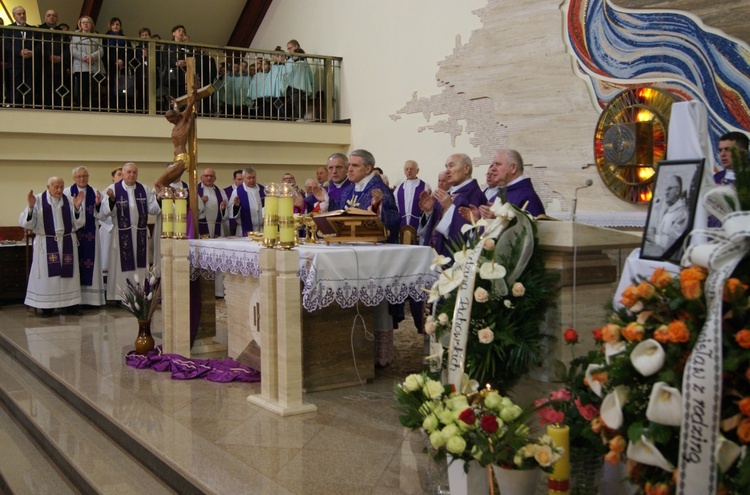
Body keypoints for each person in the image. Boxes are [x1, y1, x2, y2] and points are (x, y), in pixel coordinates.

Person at [20, 177, 85, 317]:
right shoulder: (37, 200)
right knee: (48, 277)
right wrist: (30, 207)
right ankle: (47, 307)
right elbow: (27, 224)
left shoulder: (68, 200)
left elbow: (79, 223)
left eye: (61, 186)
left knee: (69, 276)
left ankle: (70, 305)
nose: (59, 190)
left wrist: (78, 208)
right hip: (47, 243)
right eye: (56, 187)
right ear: (48, 187)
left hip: (67, 241)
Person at [101, 163, 161, 301]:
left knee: (139, 266)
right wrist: (111, 200)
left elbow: (152, 209)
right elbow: (104, 212)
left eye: (134, 172)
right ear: (122, 174)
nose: (131, 175)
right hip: (122, 233)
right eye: (128, 172)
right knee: (121, 267)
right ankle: (119, 296)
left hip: (140, 233)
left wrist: (158, 198)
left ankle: (139, 295)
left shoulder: (143, 189)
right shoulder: (113, 188)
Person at [418, 153, 486, 257]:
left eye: (451, 165)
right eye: (446, 167)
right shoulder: (449, 194)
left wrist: (450, 208)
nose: (447, 170)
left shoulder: (473, 195)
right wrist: (430, 211)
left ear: (466, 168)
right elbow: (434, 229)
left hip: (453, 259)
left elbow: (467, 235)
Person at [64, 166, 105, 307]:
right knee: (75, 265)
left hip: (91, 234)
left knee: (90, 264)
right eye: (79, 176)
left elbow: (102, 216)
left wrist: (98, 205)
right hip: (74, 235)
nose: (82, 179)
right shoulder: (67, 193)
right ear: (73, 178)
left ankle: (90, 301)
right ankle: (75, 300)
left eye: (84, 176)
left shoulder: (95, 192)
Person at [198, 168, 229, 297]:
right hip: (201, 228)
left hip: (216, 227)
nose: (209, 178)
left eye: (211, 176)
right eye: (206, 176)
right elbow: (191, 211)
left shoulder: (220, 192)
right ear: (201, 177)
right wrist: (201, 202)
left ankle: (218, 291)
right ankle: (203, 290)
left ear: (215, 178)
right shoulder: (195, 192)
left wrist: (223, 209)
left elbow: (226, 215)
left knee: (217, 258)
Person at [5, 6, 39, 107]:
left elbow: (39, 44)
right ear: (14, 16)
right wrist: (19, 52)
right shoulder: (8, 29)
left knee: (30, 85)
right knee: (15, 85)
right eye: (19, 14)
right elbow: (7, 45)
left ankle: (29, 106)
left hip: (30, 63)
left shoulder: (33, 29)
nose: (22, 16)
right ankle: (15, 105)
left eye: (23, 13)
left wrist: (32, 52)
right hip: (16, 63)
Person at [70, 16, 104, 110]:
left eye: (88, 22)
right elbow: (72, 50)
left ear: (91, 24)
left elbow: (101, 50)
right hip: (81, 66)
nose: (85, 24)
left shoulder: (97, 36)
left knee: (92, 90)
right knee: (81, 90)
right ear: (80, 25)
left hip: (94, 66)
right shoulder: (75, 35)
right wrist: (85, 57)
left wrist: (92, 56)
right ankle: (81, 108)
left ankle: (91, 108)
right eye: (83, 22)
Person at [650, 175, 689, 254]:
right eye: (665, 189)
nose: (666, 192)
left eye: (669, 188)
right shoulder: (666, 210)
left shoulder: (682, 213)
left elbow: (672, 243)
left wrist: (653, 238)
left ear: (678, 190)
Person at [38, 9, 67, 109]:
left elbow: (68, 47)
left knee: (59, 92)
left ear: (57, 18)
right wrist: (49, 56)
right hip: (43, 65)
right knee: (44, 90)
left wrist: (61, 57)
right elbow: (38, 46)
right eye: (49, 15)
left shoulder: (62, 32)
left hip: (59, 66)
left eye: (54, 15)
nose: (51, 17)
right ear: (45, 17)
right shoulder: (39, 30)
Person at [394, 160, 431, 230]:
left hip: (419, 224)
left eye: (411, 169)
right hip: (402, 224)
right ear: (404, 171)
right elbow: (395, 207)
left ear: (417, 171)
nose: (409, 171)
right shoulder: (398, 189)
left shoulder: (425, 186)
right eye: (407, 169)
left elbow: (429, 207)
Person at [228, 168, 265, 236]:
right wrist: (236, 206)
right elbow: (230, 211)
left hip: (261, 229)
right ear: (243, 179)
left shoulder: (262, 190)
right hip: (244, 229)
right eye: (249, 178)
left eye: (253, 177)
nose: (252, 180)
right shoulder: (237, 191)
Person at [98, 167, 122, 275]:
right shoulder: (107, 191)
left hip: (122, 230)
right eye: (119, 174)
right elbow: (103, 212)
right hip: (108, 230)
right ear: (113, 177)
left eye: (123, 174)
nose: (121, 177)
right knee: (107, 256)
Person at [417, 171, 448, 245]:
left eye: (443, 181)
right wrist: (428, 211)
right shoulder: (434, 197)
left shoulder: (450, 199)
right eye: (439, 180)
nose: (440, 183)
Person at [285, 40, 312, 120]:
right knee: (291, 103)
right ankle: (293, 118)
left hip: (297, 85)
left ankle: (298, 118)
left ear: (296, 46)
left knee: (297, 103)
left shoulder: (302, 60)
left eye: (290, 48)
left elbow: (306, 72)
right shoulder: (290, 60)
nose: (289, 50)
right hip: (291, 84)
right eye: (288, 49)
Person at [224, 169, 243, 235]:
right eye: (239, 179)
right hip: (231, 224)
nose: (242, 182)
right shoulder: (226, 191)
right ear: (234, 179)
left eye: (243, 179)